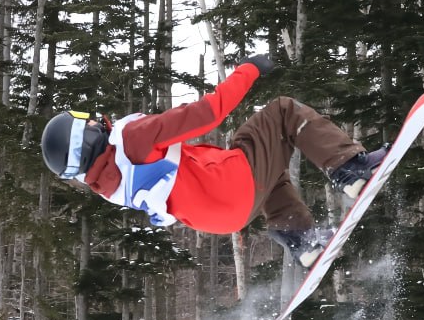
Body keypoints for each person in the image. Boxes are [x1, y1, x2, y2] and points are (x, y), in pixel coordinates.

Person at [40, 55, 387, 268]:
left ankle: (298, 237)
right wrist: (248, 70)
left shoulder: (109, 183)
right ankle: (349, 169)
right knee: (282, 111)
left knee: (258, 155)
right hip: (229, 183)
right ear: (85, 139)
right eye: (86, 122)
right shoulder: (131, 139)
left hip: (222, 217)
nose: (95, 120)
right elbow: (208, 113)